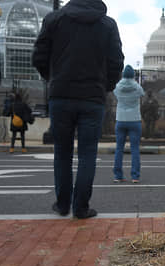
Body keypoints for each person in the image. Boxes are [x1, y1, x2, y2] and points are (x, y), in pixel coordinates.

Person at [32, 0, 124, 219]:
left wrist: (54, 79)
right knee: (87, 154)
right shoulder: (108, 25)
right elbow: (116, 62)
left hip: (61, 96)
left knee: (62, 153)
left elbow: (39, 57)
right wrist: (105, 86)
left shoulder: (54, 19)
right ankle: (81, 207)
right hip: (92, 98)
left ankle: (62, 204)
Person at [113, 65, 145, 183]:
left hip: (120, 119)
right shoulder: (137, 87)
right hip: (134, 120)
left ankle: (118, 175)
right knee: (135, 149)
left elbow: (115, 92)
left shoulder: (118, 87)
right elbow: (142, 93)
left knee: (119, 149)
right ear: (133, 75)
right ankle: (135, 176)